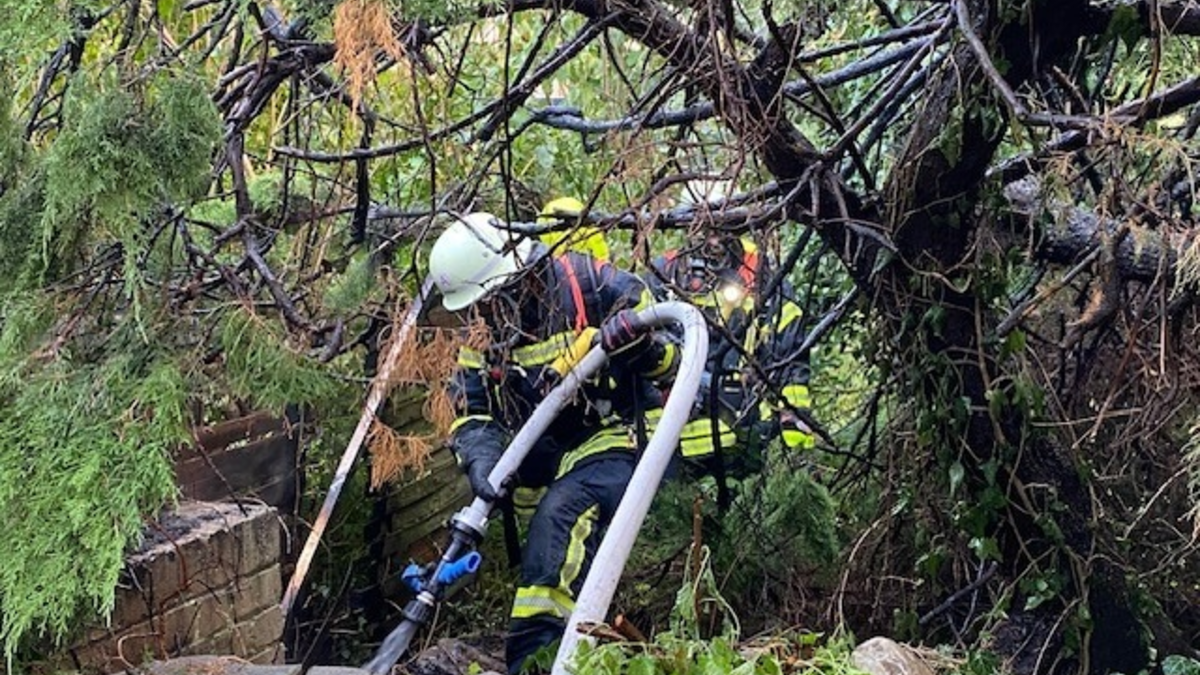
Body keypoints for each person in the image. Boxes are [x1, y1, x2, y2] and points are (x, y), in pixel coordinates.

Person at [428, 212, 677, 674]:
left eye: (491, 300)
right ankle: (576, 645)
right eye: (477, 306)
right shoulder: (483, 331)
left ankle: (537, 662)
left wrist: (639, 345)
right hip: (547, 454)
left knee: (560, 518)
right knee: (551, 554)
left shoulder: (594, 285)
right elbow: (469, 407)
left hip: (615, 433)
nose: (485, 315)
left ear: (518, 275)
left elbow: (676, 358)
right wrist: (482, 457)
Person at [646, 232, 814, 485]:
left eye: (722, 230)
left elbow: (789, 362)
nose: (712, 243)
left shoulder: (762, 278)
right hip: (670, 445)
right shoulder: (664, 273)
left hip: (742, 441)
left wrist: (794, 442)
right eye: (704, 231)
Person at [536, 196, 610, 262]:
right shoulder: (571, 202)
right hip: (579, 256)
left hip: (563, 259)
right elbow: (602, 255)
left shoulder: (547, 211)